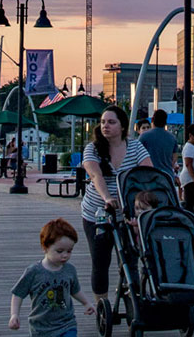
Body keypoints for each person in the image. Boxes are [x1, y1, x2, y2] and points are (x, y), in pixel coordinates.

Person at [79, 104, 153, 302]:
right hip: (97, 211)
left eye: (111, 122)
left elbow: (147, 173)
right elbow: (95, 175)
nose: (106, 126)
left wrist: (139, 205)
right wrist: (107, 199)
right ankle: (101, 304)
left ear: (122, 126)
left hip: (127, 211)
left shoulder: (135, 146)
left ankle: (133, 295)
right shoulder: (93, 148)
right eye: (103, 122)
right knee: (100, 259)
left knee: (130, 257)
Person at [8, 218, 93, 337]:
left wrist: (86, 303)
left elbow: (75, 290)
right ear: (45, 247)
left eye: (69, 251)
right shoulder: (34, 272)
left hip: (66, 324)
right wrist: (14, 315)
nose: (65, 255)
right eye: (59, 251)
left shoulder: (70, 270)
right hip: (41, 327)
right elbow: (18, 293)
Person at [138, 108, 179, 185]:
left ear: (153, 120)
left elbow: (137, 157)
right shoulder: (172, 138)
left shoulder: (144, 137)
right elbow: (174, 160)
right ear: (165, 122)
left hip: (149, 178)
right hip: (167, 178)